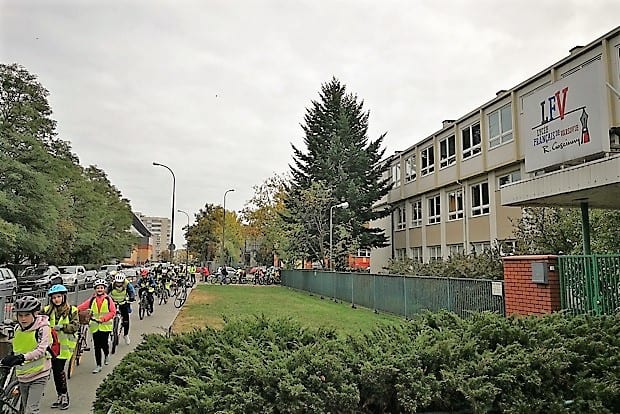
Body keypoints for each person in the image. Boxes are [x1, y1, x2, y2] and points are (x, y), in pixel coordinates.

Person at [1, 295, 51, 414]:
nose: (23, 319)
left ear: (35, 314)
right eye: (20, 315)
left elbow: (41, 350)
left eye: (27, 315)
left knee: (31, 410)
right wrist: (10, 358)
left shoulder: (43, 328)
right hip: (23, 375)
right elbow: (17, 347)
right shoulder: (18, 328)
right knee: (24, 406)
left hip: (40, 374)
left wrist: (22, 357)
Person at [42, 284, 78, 410]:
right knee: (55, 373)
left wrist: (63, 327)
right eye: (53, 297)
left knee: (59, 371)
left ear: (63, 297)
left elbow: (75, 326)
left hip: (64, 347)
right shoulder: (46, 310)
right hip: (51, 347)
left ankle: (64, 396)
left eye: (58, 297)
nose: (56, 299)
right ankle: (60, 395)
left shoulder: (72, 310)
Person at [77, 279, 116, 374]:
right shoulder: (92, 299)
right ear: (95, 289)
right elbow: (82, 306)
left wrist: (103, 319)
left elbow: (112, 312)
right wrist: (73, 310)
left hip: (105, 326)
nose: (99, 289)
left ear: (104, 289)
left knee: (104, 344)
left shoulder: (108, 299)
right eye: (98, 288)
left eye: (101, 288)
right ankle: (98, 365)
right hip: (94, 327)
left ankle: (106, 354)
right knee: (96, 346)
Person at [107, 272, 135, 345]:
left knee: (126, 320)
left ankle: (126, 335)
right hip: (113, 303)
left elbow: (131, 291)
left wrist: (132, 297)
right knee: (108, 318)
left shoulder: (127, 284)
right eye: (117, 282)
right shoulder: (112, 284)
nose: (119, 284)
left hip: (123, 303)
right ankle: (109, 334)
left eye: (120, 283)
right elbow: (106, 292)